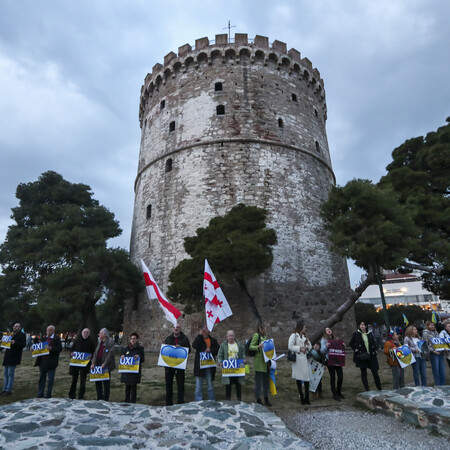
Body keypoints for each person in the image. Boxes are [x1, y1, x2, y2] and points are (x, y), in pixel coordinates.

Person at [349, 321, 382, 391]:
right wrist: (356, 350)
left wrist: (375, 351)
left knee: (375, 372)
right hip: (362, 356)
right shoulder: (356, 334)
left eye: (363, 324)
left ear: (366, 326)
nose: (362, 326)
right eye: (361, 324)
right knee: (363, 373)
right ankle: (367, 389)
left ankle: (379, 388)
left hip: (371, 355)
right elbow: (351, 343)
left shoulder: (369, 334)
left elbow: (373, 343)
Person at [164, 324, 191, 405]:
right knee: (168, 385)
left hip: (180, 366)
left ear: (180, 329)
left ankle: (180, 402)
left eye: (178, 327)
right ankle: (169, 403)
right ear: (172, 329)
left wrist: (181, 348)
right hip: (169, 366)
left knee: (181, 385)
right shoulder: (168, 339)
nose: (176, 329)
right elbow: (164, 351)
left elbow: (188, 350)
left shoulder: (185, 339)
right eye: (174, 327)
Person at [192, 326, 219, 401]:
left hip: (209, 366)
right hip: (200, 366)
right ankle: (198, 401)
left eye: (206, 329)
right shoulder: (199, 339)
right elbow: (194, 345)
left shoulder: (213, 340)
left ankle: (212, 400)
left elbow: (217, 350)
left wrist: (210, 350)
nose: (204, 330)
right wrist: (199, 335)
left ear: (209, 331)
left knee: (210, 386)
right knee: (198, 387)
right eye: (203, 329)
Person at [35, 325, 62, 398]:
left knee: (50, 379)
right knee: (42, 378)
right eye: (47, 330)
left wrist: (51, 348)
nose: (48, 331)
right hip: (42, 361)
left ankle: (48, 393)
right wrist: (34, 349)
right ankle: (40, 393)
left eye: (50, 330)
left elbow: (59, 349)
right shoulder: (44, 338)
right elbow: (39, 347)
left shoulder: (57, 339)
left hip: (51, 362)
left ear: (53, 331)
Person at [217, 330, 245, 401]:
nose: (230, 337)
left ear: (234, 336)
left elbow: (243, 353)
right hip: (228, 369)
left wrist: (244, 359)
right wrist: (220, 362)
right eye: (229, 336)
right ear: (227, 336)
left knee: (238, 384)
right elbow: (219, 356)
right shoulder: (223, 345)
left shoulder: (239, 344)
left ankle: (239, 399)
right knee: (228, 384)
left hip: (237, 368)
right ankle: (228, 399)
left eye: (232, 336)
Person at [288, 321, 312, 405]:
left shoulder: (305, 336)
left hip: (305, 359)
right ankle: (301, 396)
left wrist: (306, 348)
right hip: (298, 359)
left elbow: (310, 345)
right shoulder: (294, 335)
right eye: (304, 327)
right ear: (301, 327)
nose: (305, 328)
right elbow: (290, 346)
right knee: (299, 378)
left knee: (306, 378)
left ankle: (307, 397)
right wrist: (300, 349)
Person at [68, 328, 96, 400]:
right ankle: (71, 395)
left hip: (85, 364)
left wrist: (91, 355)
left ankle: (81, 395)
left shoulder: (91, 342)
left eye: (87, 332)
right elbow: (72, 349)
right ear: (82, 333)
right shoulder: (77, 340)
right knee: (74, 379)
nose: (85, 334)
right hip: (76, 363)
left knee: (83, 381)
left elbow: (94, 351)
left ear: (89, 334)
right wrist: (71, 353)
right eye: (84, 332)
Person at [249, 323, 271, 406]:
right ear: (260, 328)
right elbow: (251, 346)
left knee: (266, 382)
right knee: (258, 382)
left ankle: (266, 398)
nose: (265, 329)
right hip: (259, 362)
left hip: (265, 362)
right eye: (264, 327)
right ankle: (258, 398)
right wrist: (258, 346)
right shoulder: (256, 335)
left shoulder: (264, 337)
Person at [1, 322, 26, 397]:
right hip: (7, 356)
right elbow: (4, 345)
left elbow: (23, 345)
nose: (14, 327)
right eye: (14, 326)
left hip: (14, 356)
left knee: (10, 373)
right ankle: (4, 389)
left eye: (16, 326)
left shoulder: (22, 335)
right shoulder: (10, 335)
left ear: (20, 327)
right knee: (5, 373)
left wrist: (15, 342)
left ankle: (8, 390)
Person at [91, 328, 116, 401]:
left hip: (106, 365)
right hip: (98, 363)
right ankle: (99, 397)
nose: (99, 334)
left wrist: (104, 363)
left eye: (100, 333)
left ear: (104, 334)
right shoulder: (99, 342)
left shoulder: (110, 342)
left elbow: (110, 354)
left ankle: (105, 398)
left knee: (106, 382)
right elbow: (96, 353)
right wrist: (93, 363)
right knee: (97, 381)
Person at [320, 327, 345, 401]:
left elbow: (340, 347)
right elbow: (322, 351)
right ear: (325, 332)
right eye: (327, 330)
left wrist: (343, 345)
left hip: (338, 360)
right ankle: (334, 394)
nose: (329, 331)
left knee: (340, 377)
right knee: (333, 377)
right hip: (330, 360)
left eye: (329, 329)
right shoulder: (324, 340)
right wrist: (326, 346)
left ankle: (339, 392)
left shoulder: (336, 339)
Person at [120, 332, 145, 403]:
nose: (132, 340)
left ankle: (133, 402)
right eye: (131, 339)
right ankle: (126, 401)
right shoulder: (126, 349)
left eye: (134, 339)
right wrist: (122, 357)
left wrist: (139, 356)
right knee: (127, 387)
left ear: (137, 339)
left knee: (133, 387)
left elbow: (143, 359)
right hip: (127, 371)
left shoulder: (140, 349)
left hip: (134, 372)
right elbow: (123, 356)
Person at [423, 320, 446, 385]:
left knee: (442, 371)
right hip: (433, 353)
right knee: (436, 371)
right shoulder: (425, 333)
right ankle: (438, 385)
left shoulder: (436, 332)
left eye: (433, 325)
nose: (433, 326)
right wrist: (432, 350)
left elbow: (439, 341)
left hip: (440, 352)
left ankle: (443, 384)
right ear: (428, 326)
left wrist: (443, 347)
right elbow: (425, 344)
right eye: (431, 325)